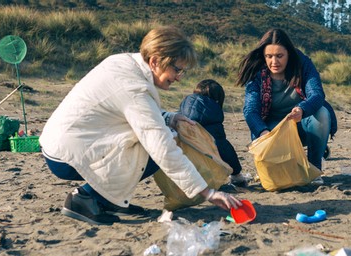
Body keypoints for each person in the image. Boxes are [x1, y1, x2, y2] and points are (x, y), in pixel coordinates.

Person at [39, 26, 241, 225]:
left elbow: (127, 112)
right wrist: (207, 192)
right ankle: (85, 198)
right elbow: (160, 146)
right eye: (177, 69)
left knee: (159, 135)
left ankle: (108, 200)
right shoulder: (133, 87)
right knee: (160, 144)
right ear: (155, 61)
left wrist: (169, 117)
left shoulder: (124, 62)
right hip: (66, 157)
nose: (179, 77)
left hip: (65, 142)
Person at [236, 28, 337, 186]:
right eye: (269, 56)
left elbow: (317, 94)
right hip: (271, 129)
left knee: (322, 113)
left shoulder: (303, 64)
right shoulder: (256, 74)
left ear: (289, 54)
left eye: (279, 56)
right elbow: (250, 111)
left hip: (301, 125)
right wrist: (264, 133)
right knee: (279, 177)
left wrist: (302, 109)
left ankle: (315, 168)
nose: (274, 62)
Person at [178, 79, 249, 186]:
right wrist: (236, 173)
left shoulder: (180, 114)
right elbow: (225, 149)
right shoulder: (212, 118)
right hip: (203, 174)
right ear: (217, 101)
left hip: (179, 170)